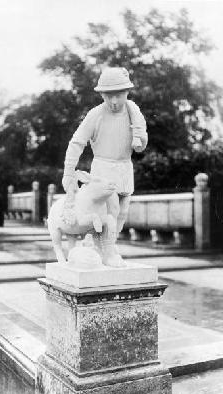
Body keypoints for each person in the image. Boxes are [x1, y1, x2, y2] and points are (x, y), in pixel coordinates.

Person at [62, 67, 147, 264]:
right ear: (102, 95)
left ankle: (108, 247)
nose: (114, 101)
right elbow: (76, 143)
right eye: (109, 96)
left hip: (124, 167)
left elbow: (141, 146)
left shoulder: (134, 112)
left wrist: (141, 139)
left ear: (127, 92)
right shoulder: (96, 114)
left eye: (118, 95)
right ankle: (106, 250)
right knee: (109, 212)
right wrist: (68, 172)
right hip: (103, 168)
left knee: (122, 212)